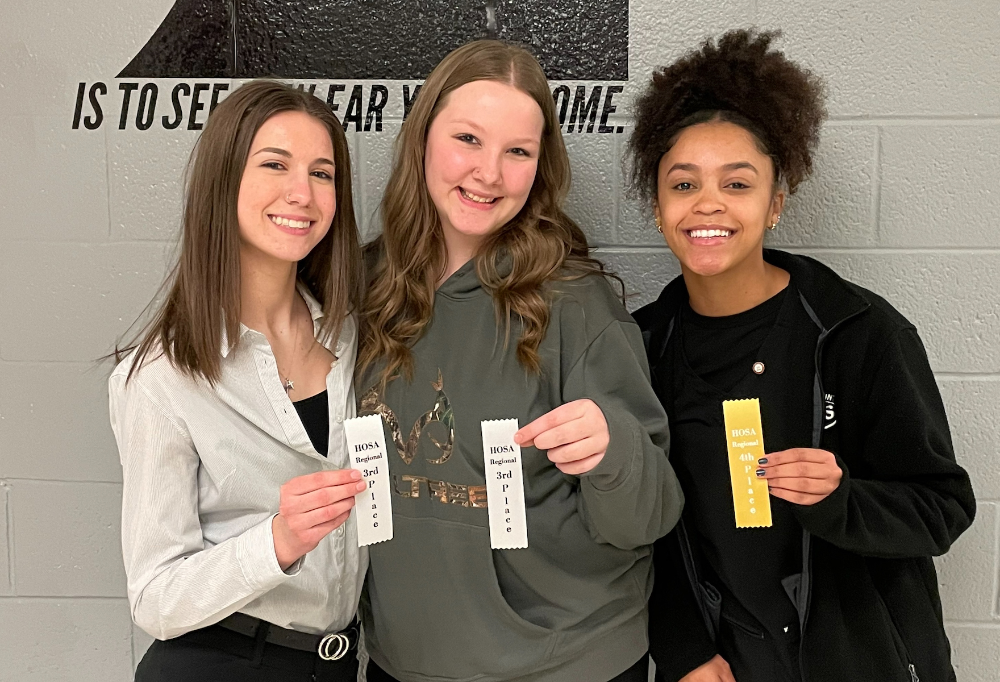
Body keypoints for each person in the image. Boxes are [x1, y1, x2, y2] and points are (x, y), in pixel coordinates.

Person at [626, 29, 976, 682]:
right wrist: (684, 650)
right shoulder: (642, 347)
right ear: (657, 206)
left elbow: (943, 511)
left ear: (775, 203)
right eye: (683, 184)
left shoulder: (857, 332)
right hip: (729, 665)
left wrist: (841, 498)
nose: (709, 204)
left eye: (737, 183)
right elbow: (648, 536)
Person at [355, 39, 684, 682]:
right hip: (404, 661)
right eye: (468, 140)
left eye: (517, 153)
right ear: (423, 137)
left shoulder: (574, 300)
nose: (489, 174)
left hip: (564, 661)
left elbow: (649, 515)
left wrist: (612, 450)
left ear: (540, 167)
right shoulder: (363, 286)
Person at [108, 80, 367, 681]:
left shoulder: (358, 336)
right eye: (274, 164)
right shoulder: (159, 379)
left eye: (323, 173)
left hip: (339, 665)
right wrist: (275, 542)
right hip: (221, 664)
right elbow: (155, 597)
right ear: (225, 182)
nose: (301, 193)